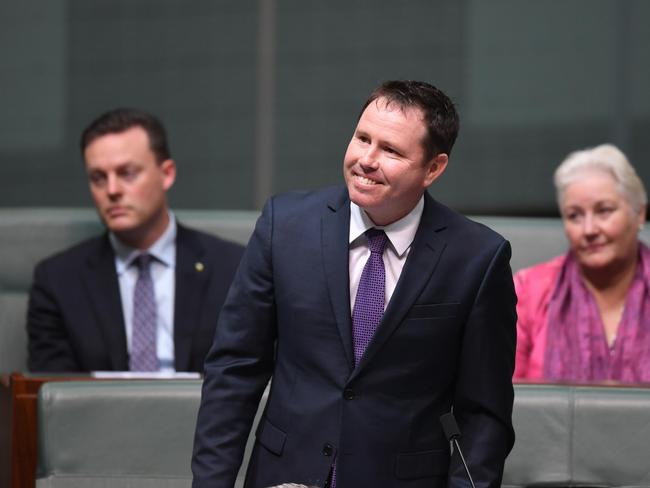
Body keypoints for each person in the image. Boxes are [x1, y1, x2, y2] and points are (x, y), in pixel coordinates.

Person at [191, 80, 516, 488]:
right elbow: (235, 368)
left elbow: (484, 414)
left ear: (433, 168)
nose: (367, 159)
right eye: (362, 138)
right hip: (286, 474)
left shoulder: (477, 258)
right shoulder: (285, 225)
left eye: (391, 150)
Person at [27, 108, 244, 372]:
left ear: (167, 174)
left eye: (127, 173)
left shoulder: (233, 269)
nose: (112, 190)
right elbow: (52, 396)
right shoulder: (58, 280)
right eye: (98, 178)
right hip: (100, 413)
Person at [514, 144, 649, 382]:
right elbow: (502, 395)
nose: (589, 230)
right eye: (574, 215)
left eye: (604, 211)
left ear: (638, 214)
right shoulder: (527, 292)